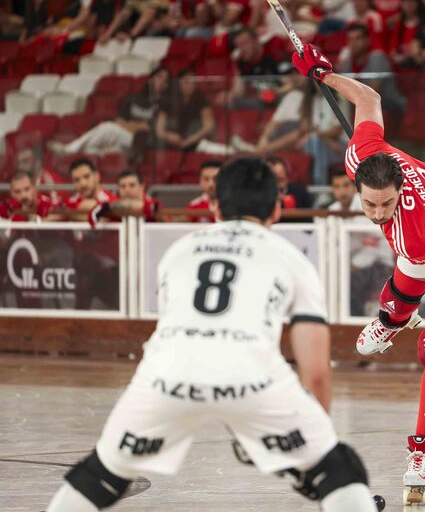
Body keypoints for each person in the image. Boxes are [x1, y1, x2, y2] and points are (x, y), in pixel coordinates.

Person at [46, 157, 379, 512]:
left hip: (166, 376)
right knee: (339, 470)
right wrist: (314, 444)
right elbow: (316, 371)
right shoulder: (292, 258)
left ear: (215, 207)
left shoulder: (178, 250)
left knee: (99, 477)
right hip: (252, 377)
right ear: (276, 210)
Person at [291, 43, 425, 505]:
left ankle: (422, 454)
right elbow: (368, 100)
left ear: (401, 191)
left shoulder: (415, 229)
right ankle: (390, 322)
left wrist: (398, 314)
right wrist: (326, 75)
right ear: (357, 180)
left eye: (386, 204)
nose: (376, 213)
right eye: (369, 203)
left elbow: (417, 279)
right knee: (396, 307)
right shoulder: (363, 153)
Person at [50, 67, 169, 159]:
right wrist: (135, 126)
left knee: (108, 128)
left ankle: (68, 150)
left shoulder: (165, 105)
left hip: (139, 142)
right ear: (150, 80)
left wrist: (130, 126)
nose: (162, 81)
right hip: (123, 137)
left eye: (165, 79)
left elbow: (148, 128)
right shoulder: (134, 99)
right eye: (159, 77)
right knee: (94, 150)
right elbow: (119, 121)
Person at [338, 23, 407, 116]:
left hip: (393, 110)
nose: (353, 43)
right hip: (368, 110)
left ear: (367, 41)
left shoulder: (377, 57)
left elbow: (372, 91)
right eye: (350, 39)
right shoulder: (348, 63)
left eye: (358, 38)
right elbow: (342, 92)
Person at [387, 0, 422, 65]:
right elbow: (392, 51)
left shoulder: (423, 24)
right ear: (401, 4)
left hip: (418, 61)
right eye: (406, 2)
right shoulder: (398, 25)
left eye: (412, 2)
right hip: (401, 62)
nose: (409, 5)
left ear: (418, 4)